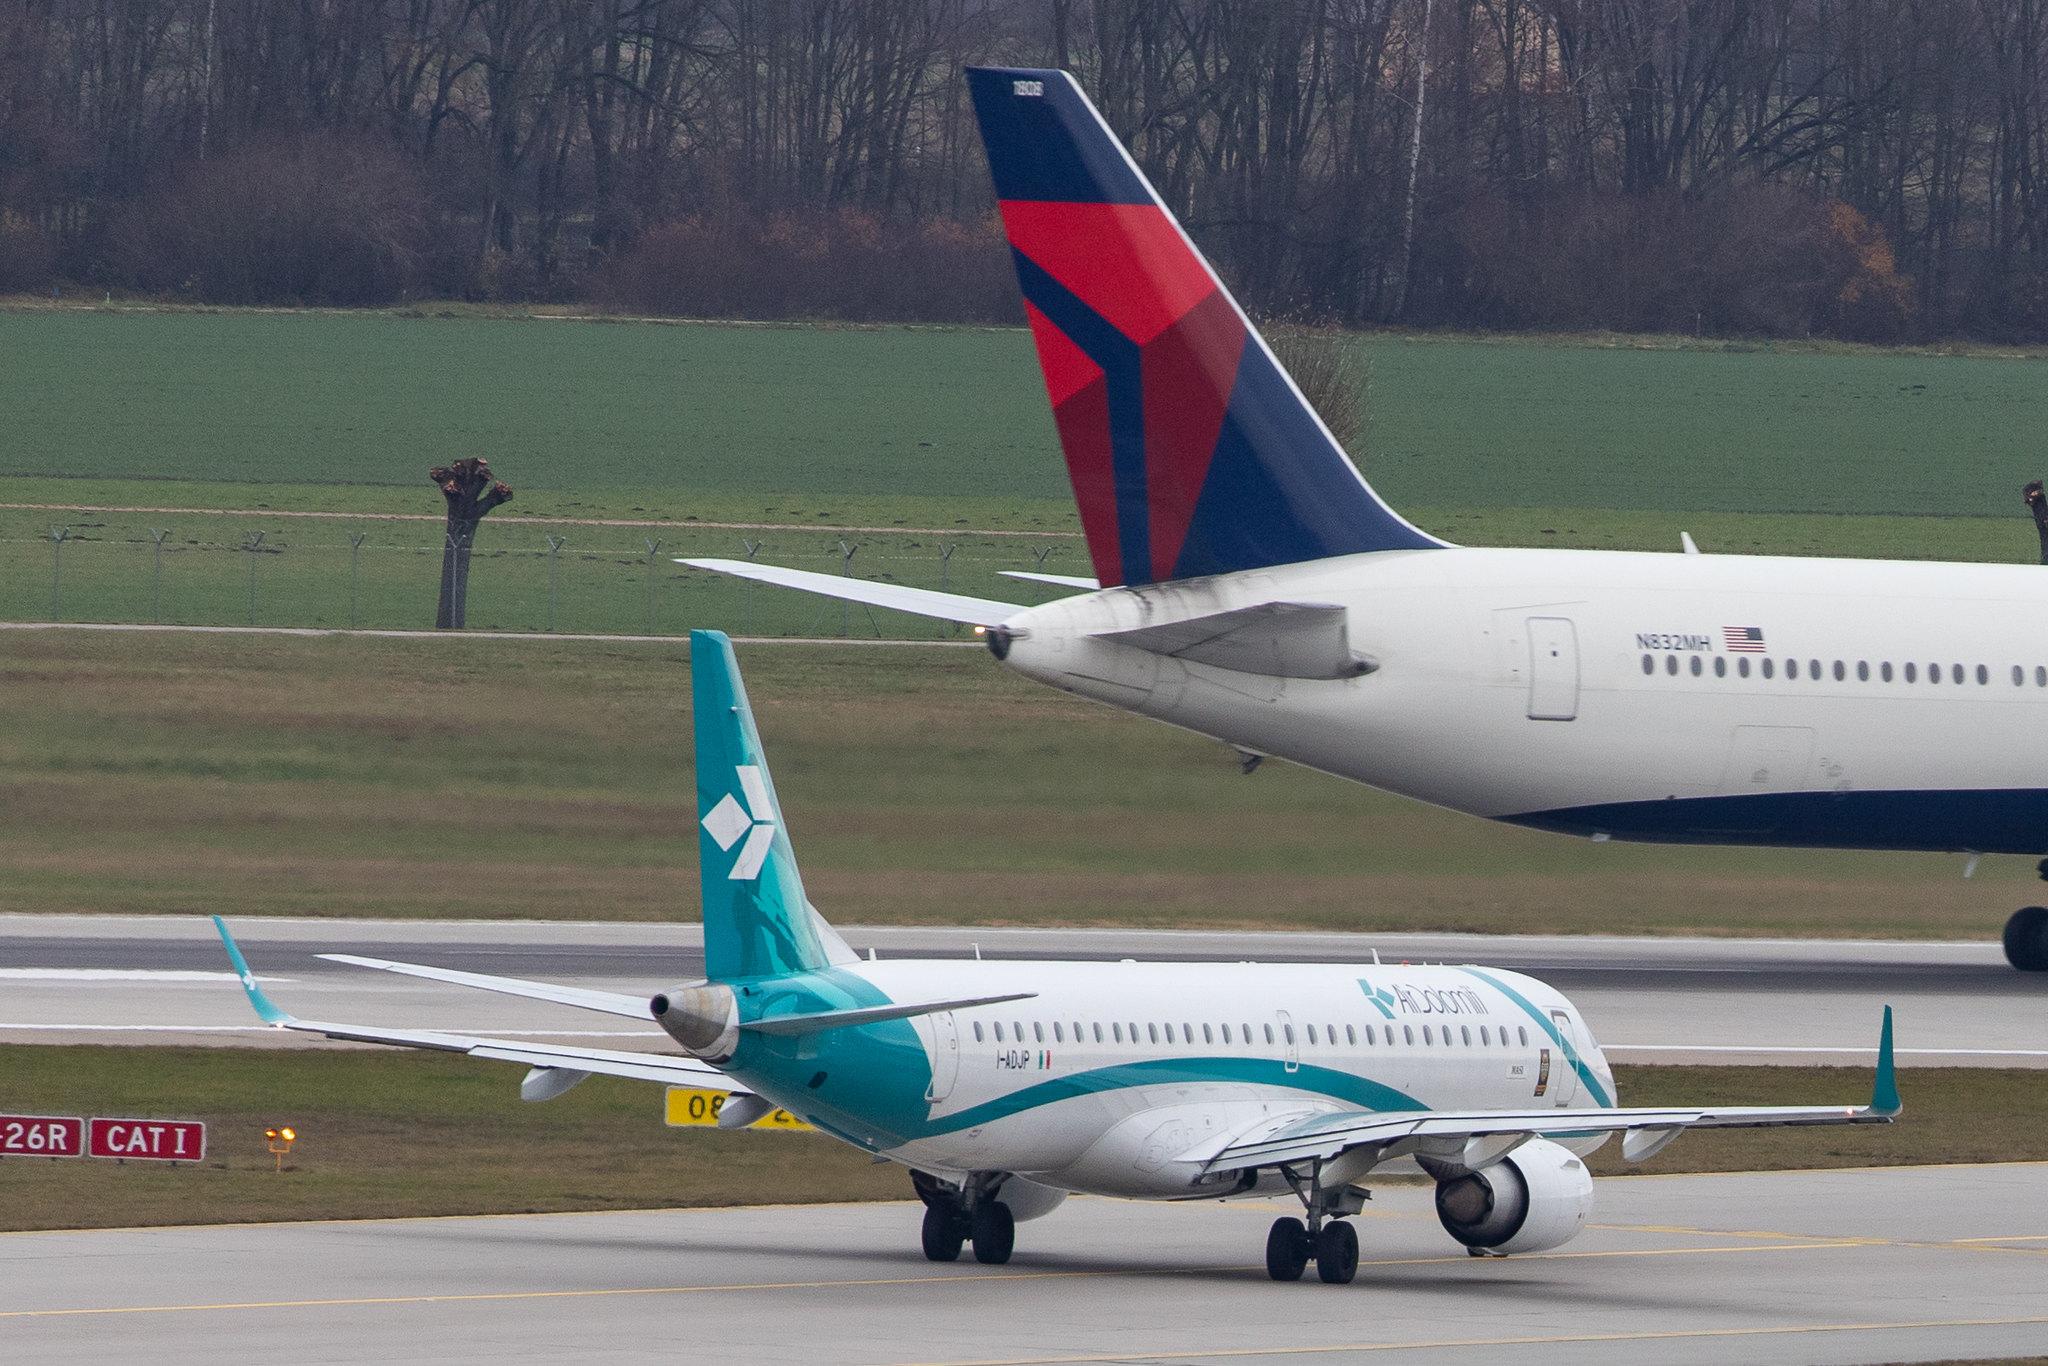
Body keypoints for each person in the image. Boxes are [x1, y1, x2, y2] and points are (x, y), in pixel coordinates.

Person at [2027, 480, 2048, 564]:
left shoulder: (2040, 497)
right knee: (2045, 539)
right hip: (2042, 521)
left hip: (2042, 520)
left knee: (2045, 539)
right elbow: (2042, 511)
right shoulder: (2036, 499)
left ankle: (2045, 558)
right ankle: (2045, 559)